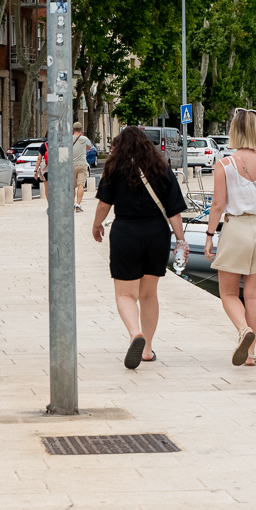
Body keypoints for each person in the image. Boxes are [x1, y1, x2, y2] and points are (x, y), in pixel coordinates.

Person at [90, 125, 188, 369]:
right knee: (148, 294)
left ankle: (135, 333)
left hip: (126, 232)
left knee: (125, 294)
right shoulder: (161, 167)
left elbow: (104, 204)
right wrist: (180, 240)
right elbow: (174, 211)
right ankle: (147, 349)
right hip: (157, 234)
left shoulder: (114, 167)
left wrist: (97, 224)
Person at [202, 108, 256, 367]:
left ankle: (243, 330)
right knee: (253, 296)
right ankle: (251, 354)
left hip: (236, 229)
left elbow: (217, 205)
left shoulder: (225, 164)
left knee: (229, 293)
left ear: (233, 131)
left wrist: (209, 235)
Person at [70, 122, 95, 213]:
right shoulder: (84, 139)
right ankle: (78, 204)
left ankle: (72, 204)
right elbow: (89, 148)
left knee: (72, 186)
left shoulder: (68, 139)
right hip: (82, 164)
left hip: (70, 165)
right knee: (81, 185)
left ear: (73, 129)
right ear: (81, 129)